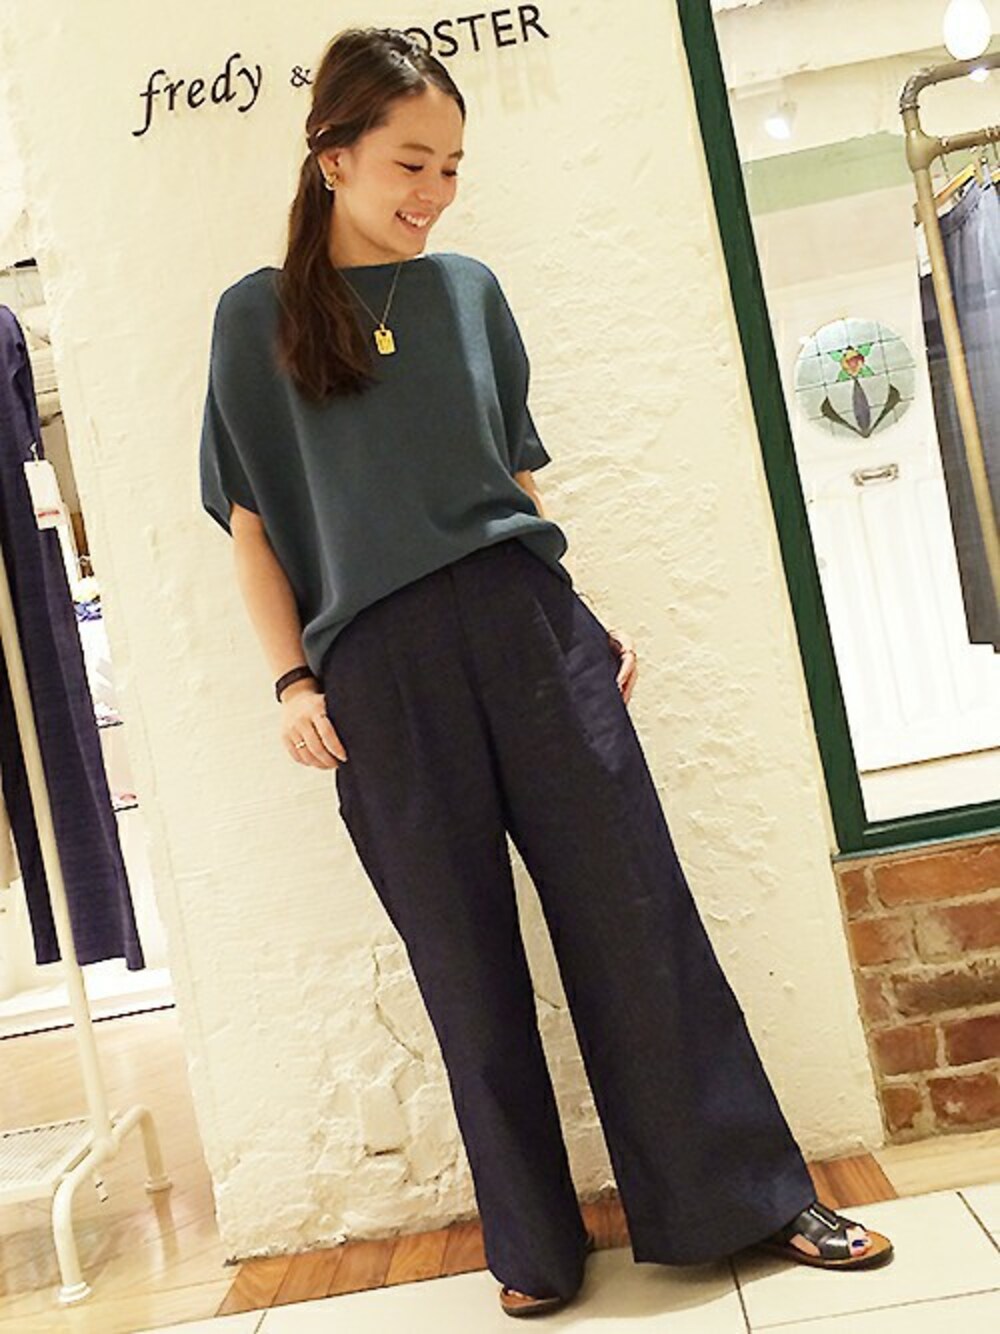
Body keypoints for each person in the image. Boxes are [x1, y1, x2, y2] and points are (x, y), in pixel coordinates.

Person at [199, 25, 894, 1320]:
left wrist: (571, 611)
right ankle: (535, 1245)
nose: (435, 191)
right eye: (412, 162)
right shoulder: (257, 320)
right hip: (379, 673)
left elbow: (514, 485)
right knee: (463, 965)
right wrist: (291, 684)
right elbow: (254, 528)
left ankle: (745, 1195)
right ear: (334, 154)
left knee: (637, 912)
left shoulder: (469, 292)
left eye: (452, 166)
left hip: (528, 627)